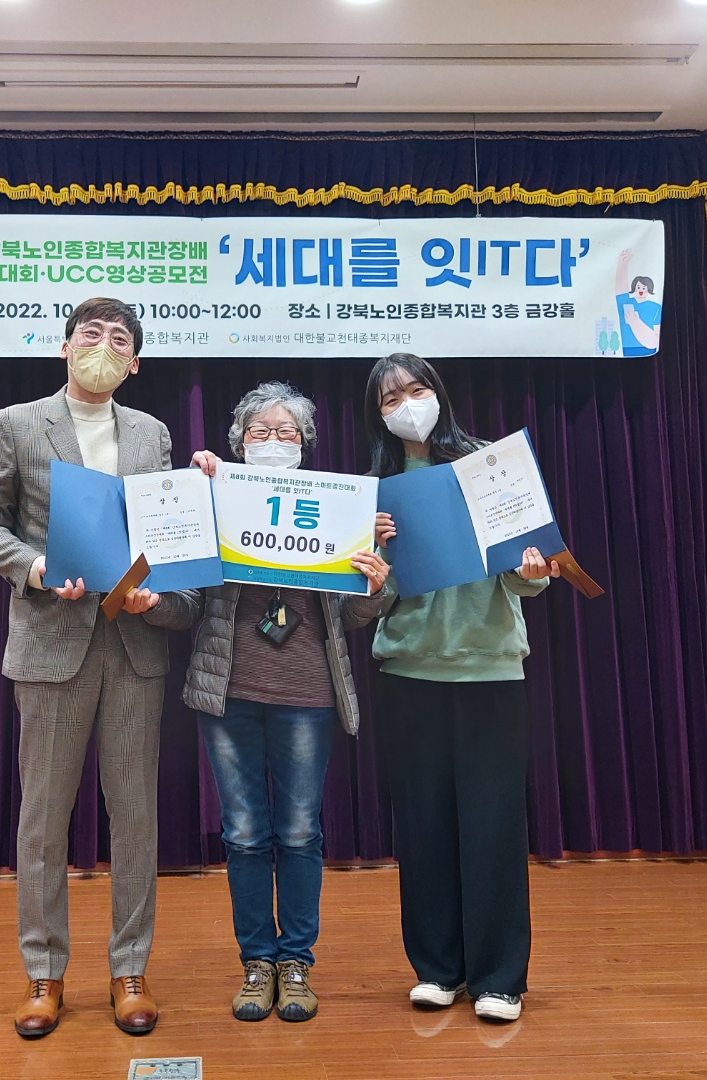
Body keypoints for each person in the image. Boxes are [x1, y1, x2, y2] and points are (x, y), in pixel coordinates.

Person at [0, 297, 199, 1039]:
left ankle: (130, 969)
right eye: (90, 334)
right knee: (43, 821)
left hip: (134, 643)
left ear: (135, 363)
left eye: (119, 339)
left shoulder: (152, 433)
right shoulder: (16, 423)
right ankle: (43, 973)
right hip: (51, 641)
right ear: (64, 347)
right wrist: (37, 568)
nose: (103, 346)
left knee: (135, 817)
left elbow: (162, 530)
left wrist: (157, 588)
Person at [182, 383, 390, 1023]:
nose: (273, 441)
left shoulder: (335, 507)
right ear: (238, 441)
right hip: (228, 691)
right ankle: (257, 963)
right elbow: (184, 587)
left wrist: (376, 584)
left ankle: (296, 962)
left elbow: (350, 616)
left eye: (287, 433)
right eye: (260, 432)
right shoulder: (215, 496)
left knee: (299, 832)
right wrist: (195, 491)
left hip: (307, 693)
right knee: (244, 834)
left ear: (306, 444)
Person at [365, 352, 559, 1025]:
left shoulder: (489, 465)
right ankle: (437, 969)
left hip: (489, 669)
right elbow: (373, 597)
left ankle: (500, 977)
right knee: (422, 824)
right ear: (378, 415)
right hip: (408, 671)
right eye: (391, 399)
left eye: (416, 390)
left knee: (494, 823)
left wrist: (532, 568)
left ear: (439, 394)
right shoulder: (376, 489)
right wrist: (376, 560)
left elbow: (527, 576)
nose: (407, 406)